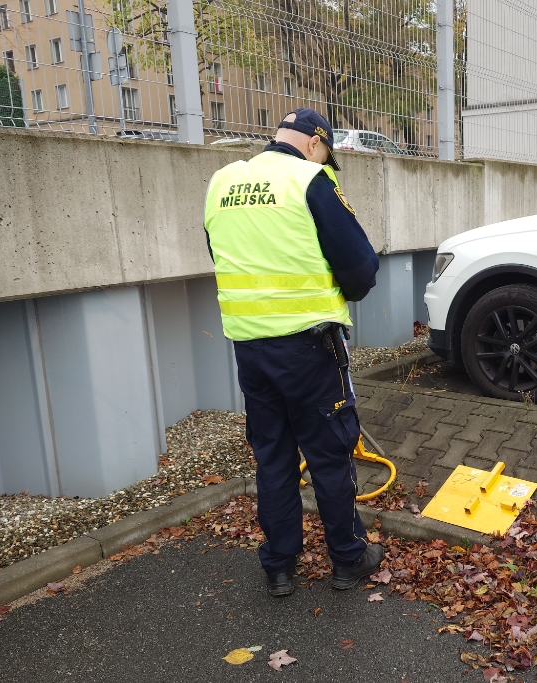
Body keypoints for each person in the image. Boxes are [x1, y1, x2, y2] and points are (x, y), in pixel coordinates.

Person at [204, 108, 384, 596]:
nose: (325, 160)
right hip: (309, 348)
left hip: (250, 348)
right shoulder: (311, 180)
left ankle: (279, 568)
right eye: (326, 153)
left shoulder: (222, 182)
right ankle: (348, 559)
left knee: (273, 457)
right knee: (328, 453)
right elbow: (361, 270)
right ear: (314, 144)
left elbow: (219, 253)